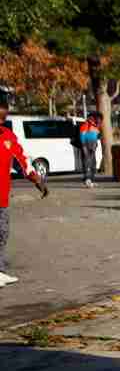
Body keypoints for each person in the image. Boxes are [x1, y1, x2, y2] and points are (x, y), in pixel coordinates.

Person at [0, 93, 50, 285]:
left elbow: (22, 161)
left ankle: (0, 270)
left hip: (2, 196)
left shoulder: (8, 137)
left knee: (2, 233)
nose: (2, 121)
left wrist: (37, 181)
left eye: (4, 118)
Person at [77, 112, 102, 188]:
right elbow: (82, 136)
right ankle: (87, 180)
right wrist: (84, 147)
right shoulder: (85, 125)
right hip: (86, 146)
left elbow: (96, 136)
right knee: (87, 163)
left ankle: (91, 180)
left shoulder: (95, 126)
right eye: (95, 118)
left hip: (92, 146)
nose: (98, 120)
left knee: (93, 164)